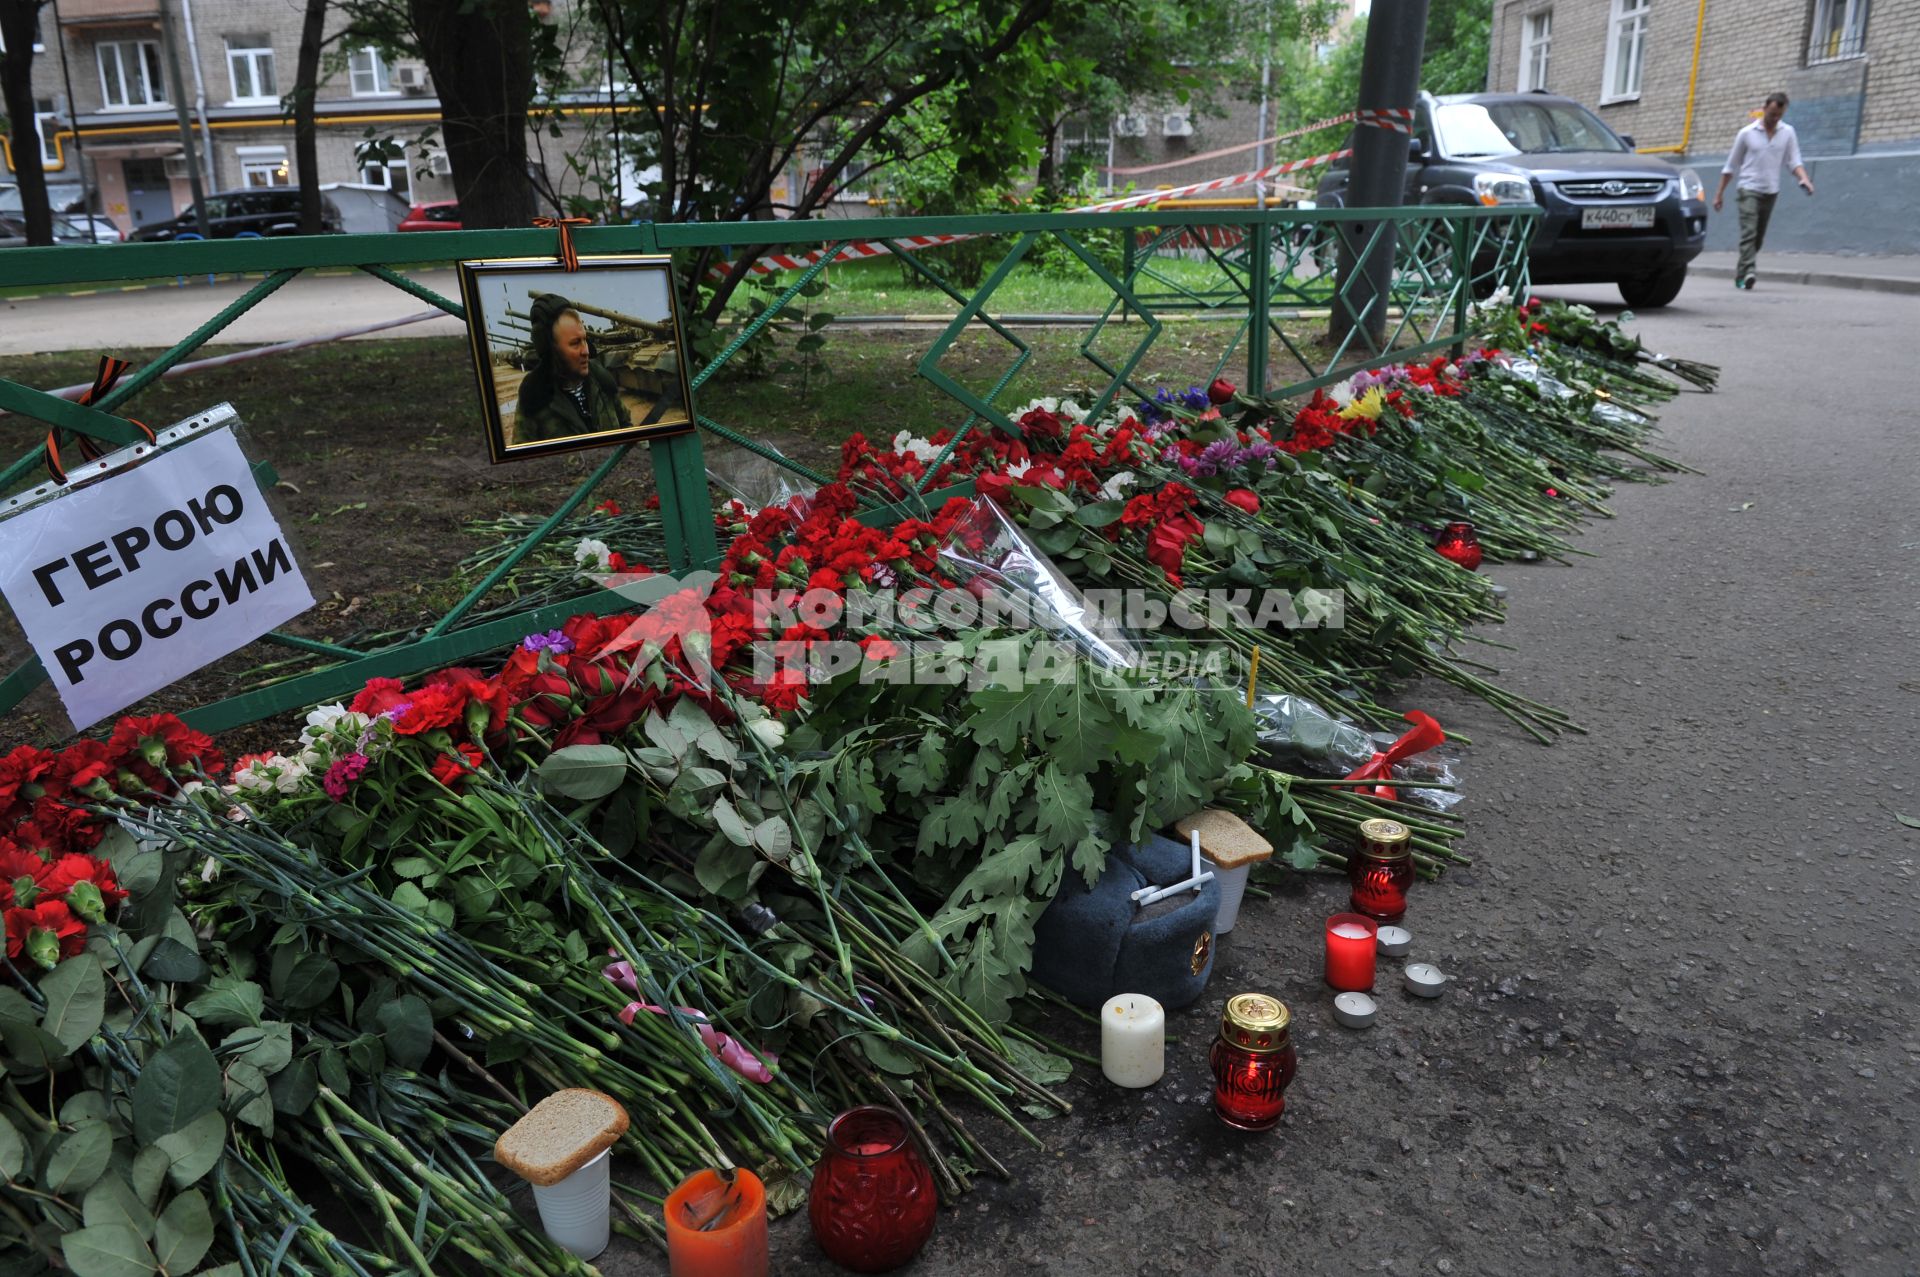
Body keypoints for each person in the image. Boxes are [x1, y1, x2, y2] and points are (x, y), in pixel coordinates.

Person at [1712, 92, 1815, 290]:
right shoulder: (1746, 133)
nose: (1775, 119)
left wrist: (1804, 178)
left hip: (1771, 191)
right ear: (1765, 108)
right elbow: (1730, 166)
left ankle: (1741, 274)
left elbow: (1793, 161)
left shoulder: (1788, 132)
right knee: (1749, 233)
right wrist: (1719, 194)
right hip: (1748, 188)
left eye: (1779, 115)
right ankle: (1750, 271)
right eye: (1772, 114)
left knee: (1757, 238)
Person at [514, 293, 629, 443]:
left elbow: (627, 426)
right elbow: (524, 462)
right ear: (551, 349)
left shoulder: (602, 380)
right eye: (575, 343)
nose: (586, 351)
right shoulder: (534, 399)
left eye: (585, 340)